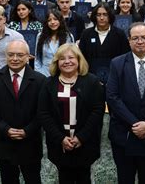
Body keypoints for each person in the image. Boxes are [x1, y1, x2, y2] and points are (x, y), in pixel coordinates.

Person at [106, 23, 145, 184]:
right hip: (123, 133)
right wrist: (135, 124)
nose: (139, 41)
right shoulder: (117, 63)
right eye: (135, 38)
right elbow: (112, 97)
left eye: (143, 37)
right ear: (129, 41)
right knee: (125, 178)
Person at [38, 43, 105, 184]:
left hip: (85, 142)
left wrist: (81, 137)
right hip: (59, 143)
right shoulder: (48, 83)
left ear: (79, 60)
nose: (67, 61)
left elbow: (97, 111)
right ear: (57, 62)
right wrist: (61, 138)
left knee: (84, 177)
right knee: (64, 178)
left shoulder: (92, 81)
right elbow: (44, 113)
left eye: (71, 57)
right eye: (62, 58)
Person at [0, 40, 45, 183]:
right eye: (11, 55)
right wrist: (5, 129)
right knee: (8, 179)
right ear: (5, 55)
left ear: (28, 57)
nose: (15, 59)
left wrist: (27, 130)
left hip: (30, 141)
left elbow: (43, 111)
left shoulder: (39, 80)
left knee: (33, 179)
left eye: (20, 55)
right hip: (4, 141)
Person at [78, 2, 130, 84]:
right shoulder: (86, 34)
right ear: (95, 16)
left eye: (105, 14)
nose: (101, 18)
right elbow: (81, 57)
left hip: (114, 79)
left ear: (110, 16)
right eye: (98, 15)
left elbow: (125, 57)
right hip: (90, 79)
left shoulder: (119, 34)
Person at [35, 9, 74, 77]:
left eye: (55, 19)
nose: (52, 22)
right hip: (44, 73)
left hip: (63, 73)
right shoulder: (40, 36)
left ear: (60, 21)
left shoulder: (68, 36)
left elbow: (72, 57)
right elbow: (37, 57)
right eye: (49, 20)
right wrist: (39, 74)